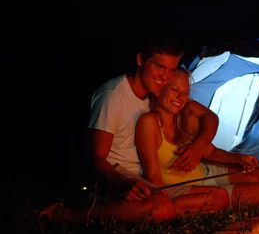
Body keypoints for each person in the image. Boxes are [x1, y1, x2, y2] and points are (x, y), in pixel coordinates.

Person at [41, 38, 218, 223]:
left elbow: (209, 116)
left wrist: (200, 145)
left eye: (171, 70)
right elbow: (96, 158)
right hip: (116, 177)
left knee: (215, 195)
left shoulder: (155, 92)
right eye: (159, 67)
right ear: (141, 60)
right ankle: (71, 214)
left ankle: (157, 212)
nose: (165, 77)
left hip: (145, 177)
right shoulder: (113, 96)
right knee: (162, 207)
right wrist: (122, 183)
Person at [135, 67, 259, 217]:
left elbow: (210, 151)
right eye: (174, 90)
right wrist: (165, 205)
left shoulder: (184, 113)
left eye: (185, 93)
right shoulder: (149, 123)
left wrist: (237, 157)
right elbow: (153, 177)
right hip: (185, 186)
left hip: (204, 173)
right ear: (159, 89)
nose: (181, 98)